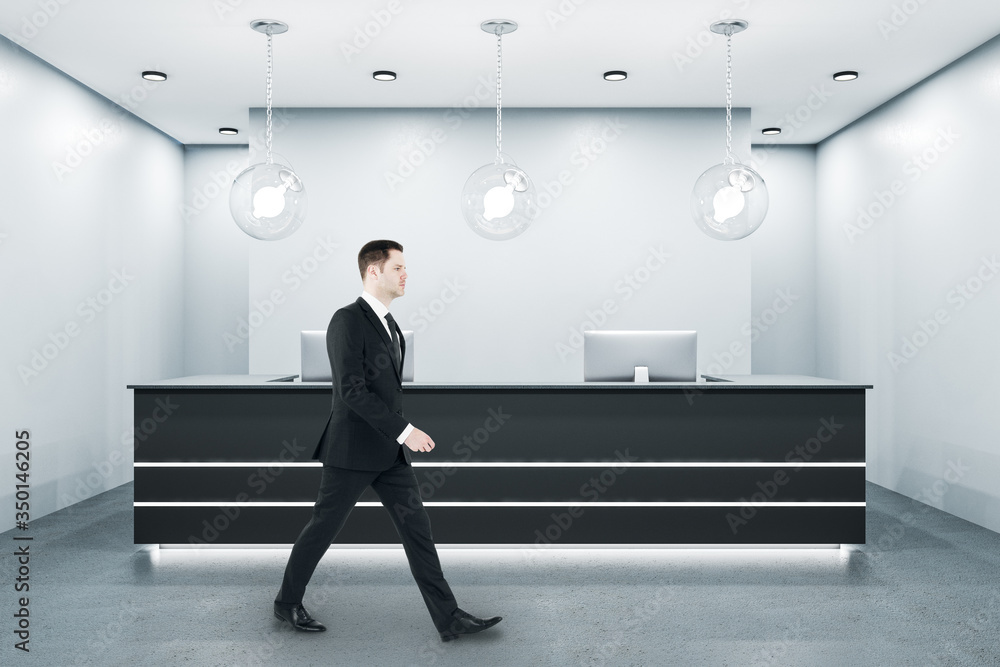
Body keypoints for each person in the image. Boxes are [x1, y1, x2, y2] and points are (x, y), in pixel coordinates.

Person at [273, 239, 502, 642]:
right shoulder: (347, 320)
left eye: (405, 268)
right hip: (352, 450)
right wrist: (405, 430)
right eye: (398, 267)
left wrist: (397, 436)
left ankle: (449, 618)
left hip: (388, 454)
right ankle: (287, 602)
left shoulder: (392, 325)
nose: (406, 274)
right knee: (322, 528)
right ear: (374, 271)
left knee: (418, 532)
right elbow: (351, 390)